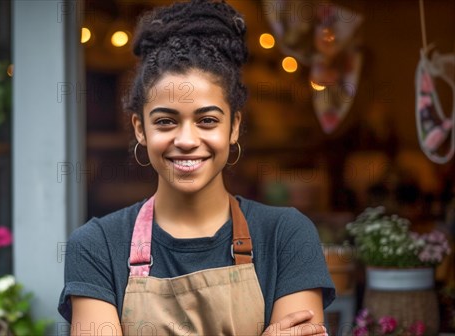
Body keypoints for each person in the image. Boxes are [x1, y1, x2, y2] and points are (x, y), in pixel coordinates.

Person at [58, 0, 335, 335]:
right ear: (140, 128)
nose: (187, 139)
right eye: (165, 121)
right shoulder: (97, 246)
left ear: (233, 126)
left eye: (206, 120)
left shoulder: (286, 237)